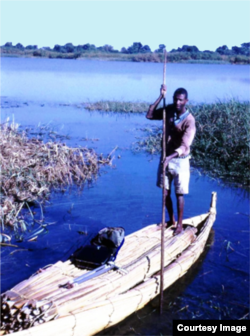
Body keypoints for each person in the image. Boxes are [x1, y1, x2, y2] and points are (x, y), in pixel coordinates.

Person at [146, 85, 196, 234]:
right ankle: (171, 220)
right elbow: (149, 115)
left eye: (180, 100)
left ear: (186, 101)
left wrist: (170, 157)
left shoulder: (189, 121)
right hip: (166, 158)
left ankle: (179, 225)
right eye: (175, 99)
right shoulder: (169, 111)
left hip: (180, 160)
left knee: (179, 194)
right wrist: (161, 97)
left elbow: (184, 147)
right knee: (165, 193)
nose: (177, 102)